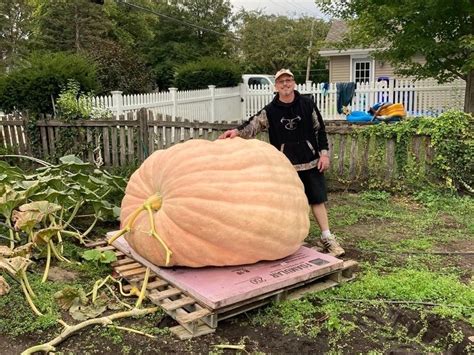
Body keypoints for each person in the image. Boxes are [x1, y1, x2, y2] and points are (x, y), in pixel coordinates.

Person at [219, 68, 345, 257]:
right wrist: (236, 132)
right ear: (276, 86)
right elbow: (252, 125)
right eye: (281, 82)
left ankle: (327, 238)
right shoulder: (270, 110)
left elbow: (320, 130)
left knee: (317, 200)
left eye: (288, 80)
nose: (285, 84)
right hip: (285, 166)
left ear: (294, 83)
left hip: (311, 161)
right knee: (287, 204)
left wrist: (324, 154)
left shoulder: (307, 104)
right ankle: (291, 240)